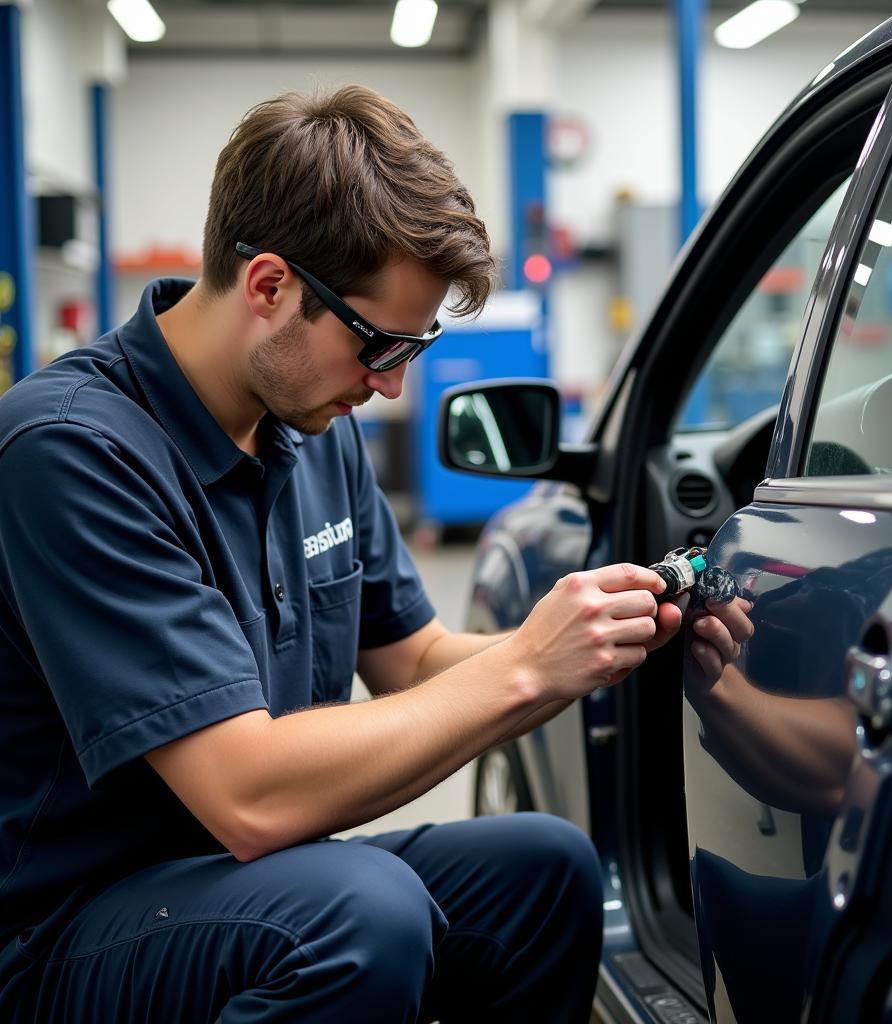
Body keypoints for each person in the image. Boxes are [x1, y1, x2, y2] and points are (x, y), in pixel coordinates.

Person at [0, 86, 683, 1023]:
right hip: (71, 931)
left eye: (416, 346)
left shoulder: (314, 429)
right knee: (364, 918)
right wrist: (524, 668)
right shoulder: (72, 452)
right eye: (378, 344)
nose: (393, 385)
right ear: (270, 285)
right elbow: (247, 797)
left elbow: (418, 663)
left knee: (546, 871)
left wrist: (605, 641)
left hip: (245, 884)